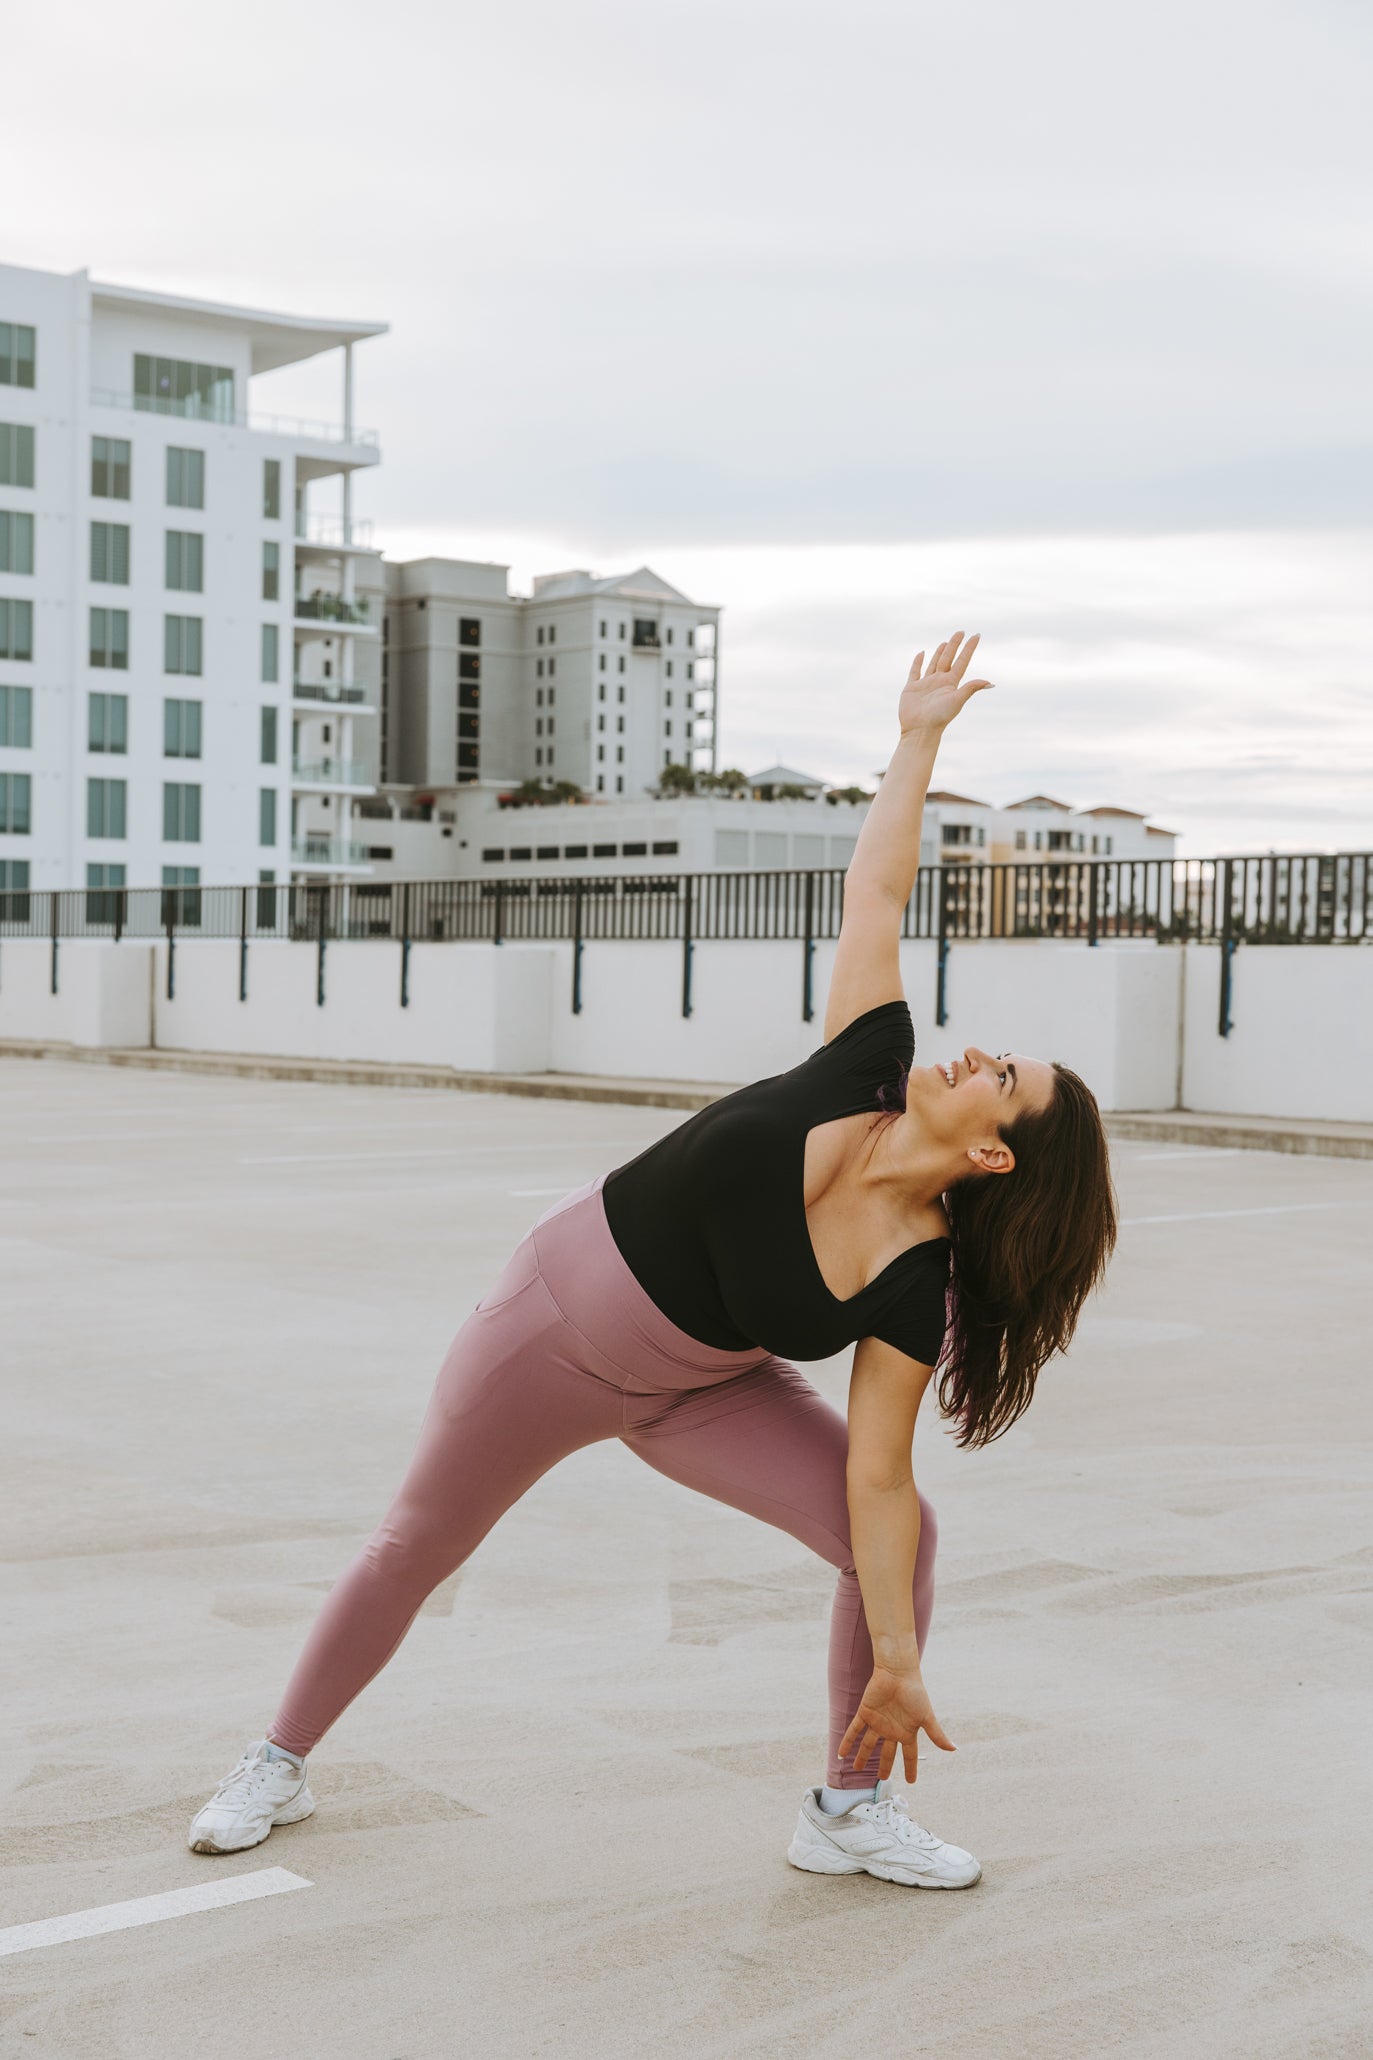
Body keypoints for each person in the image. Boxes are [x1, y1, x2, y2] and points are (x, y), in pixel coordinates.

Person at [189, 632, 1117, 1890]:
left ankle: (844, 1811)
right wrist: (915, 741)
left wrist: (898, 1650)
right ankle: (273, 1757)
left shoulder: (915, 1279)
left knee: (894, 1540)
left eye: (1002, 1079)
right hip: (552, 1323)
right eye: (994, 1051)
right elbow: (878, 897)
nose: (977, 1055)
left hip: (698, 1390)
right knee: (415, 1540)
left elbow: (881, 1479)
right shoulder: (865, 1058)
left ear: (996, 1158)